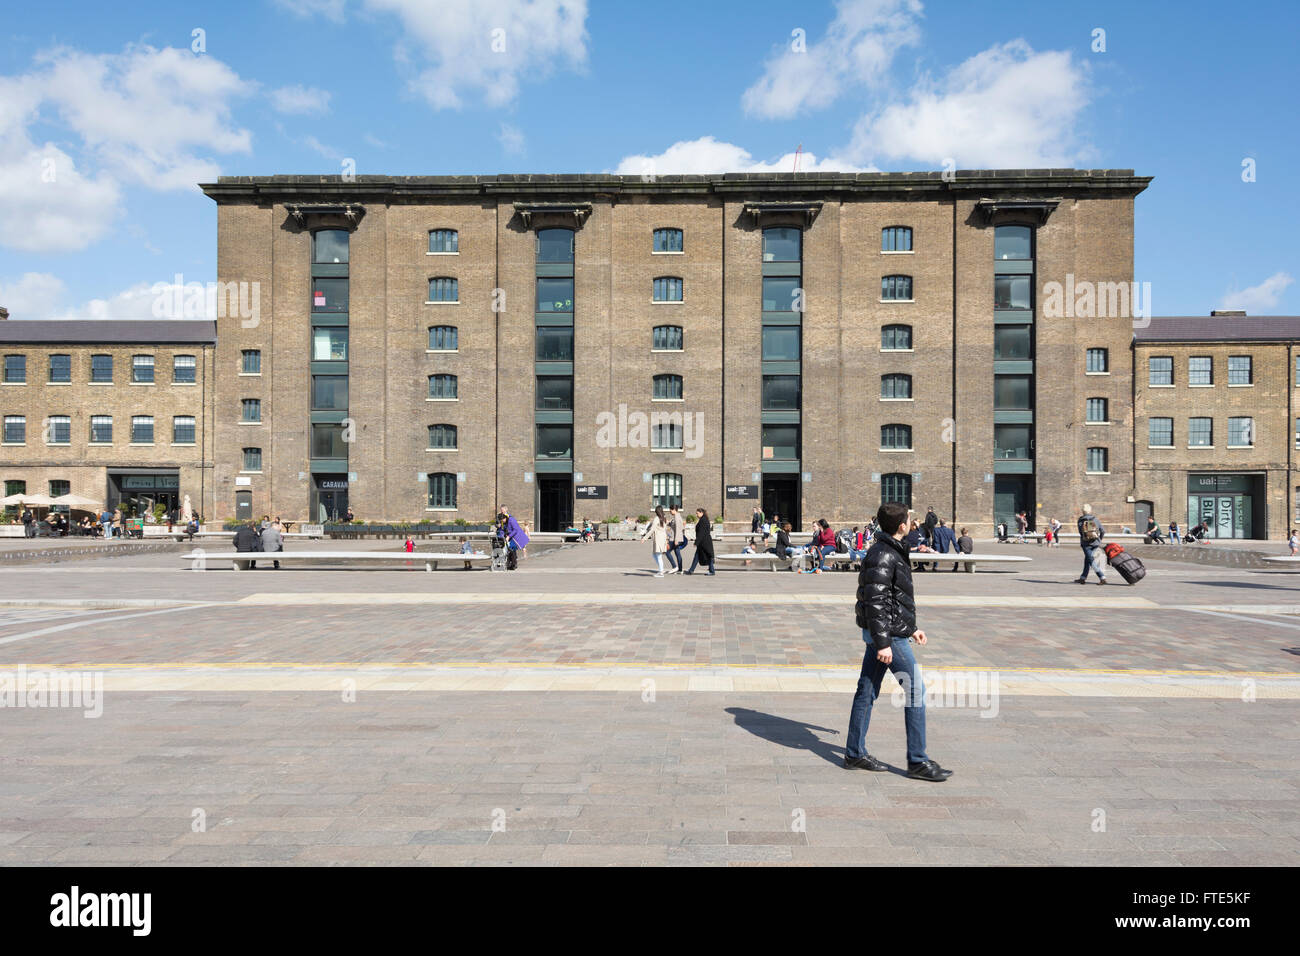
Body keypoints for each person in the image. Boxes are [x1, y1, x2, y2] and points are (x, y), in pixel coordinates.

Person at [844, 501, 953, 782]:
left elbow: (893, 598)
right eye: (908, 519)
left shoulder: (889, 550)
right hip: (888, 636)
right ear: (902, 525)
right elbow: (875, 602)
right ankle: (917, 760)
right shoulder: (884, 554)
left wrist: (912, 627)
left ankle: (854, 753)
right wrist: (884, 643)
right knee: (916, 691)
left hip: (890, 632)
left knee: (866, 691)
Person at [1076, 504, 1107, 585]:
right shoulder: (1096, 519)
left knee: (1091, 561)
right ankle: (1083, 578)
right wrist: (1099, 539)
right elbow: (1103, 531)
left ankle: (1102, 577)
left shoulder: (1080, 520)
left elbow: (1080, 532)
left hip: (1085, 544)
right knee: (1087, 559)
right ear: (1090, 510)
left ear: (1082, 511)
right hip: (1095, 543)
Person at [495, 506, 529, 570]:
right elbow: (502, 529)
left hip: (516, 537)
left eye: (502, 520)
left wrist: (509, 536)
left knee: (512, 550)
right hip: (511, 537)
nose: (502, 521)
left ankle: (513, 564)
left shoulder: (511, 519)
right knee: (510, 550)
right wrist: (500, 535)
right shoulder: (504, 520)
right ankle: (510, 564)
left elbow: (515, 530)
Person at [641, 507, 670, 577]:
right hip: (662, 538)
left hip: (658, 539)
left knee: (658, 555)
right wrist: (667, 539)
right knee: (656, 555)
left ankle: (661, 572)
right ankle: (661, 569)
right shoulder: (664, 518)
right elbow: (665, 529)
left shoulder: (657, 519)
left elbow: (652, 530)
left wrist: (644, 538)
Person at [685, 508, 715, 575]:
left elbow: (701, 533)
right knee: (698, 556)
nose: (696, 515)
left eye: (697, 513)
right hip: (703, 542)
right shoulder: (703, 519)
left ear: (701, 513)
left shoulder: (703, 520)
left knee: (708, 556)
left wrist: (696, 542)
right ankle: (691, 570)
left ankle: (712, 571)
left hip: (704, 542)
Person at [666, 506, 687, 573]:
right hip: (675, 538)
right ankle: (680, 569)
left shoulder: (677, 517)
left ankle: (674, 566)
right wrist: (668, 523)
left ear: (674, 510)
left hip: (675, 538)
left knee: (667, 551)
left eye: (670, 510)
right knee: (677, 553)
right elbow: (674, 526)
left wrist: (676, 540)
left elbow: (678, 529)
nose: (670, 511)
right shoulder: (676, 516)